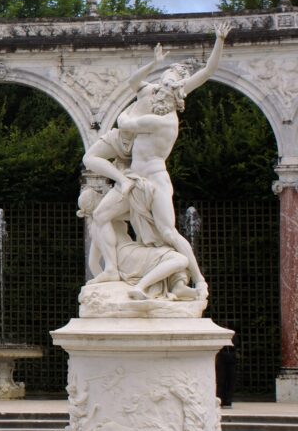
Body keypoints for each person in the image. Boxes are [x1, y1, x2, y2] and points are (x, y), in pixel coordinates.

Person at [82, 23, 232, 297]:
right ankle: (113, 269)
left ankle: (198, 280)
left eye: (165, 88)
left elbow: (207, 72)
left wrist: (219, 41)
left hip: (154, 180)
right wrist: (153, 63)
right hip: (132, 179)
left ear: (176, 95)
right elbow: (134, 83)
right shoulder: (155, 101)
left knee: (168, 232)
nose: (158, 91)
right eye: (160, 85)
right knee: (101, 215)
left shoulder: (161, 121)